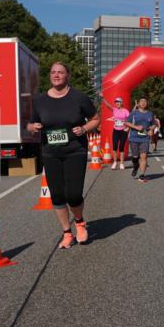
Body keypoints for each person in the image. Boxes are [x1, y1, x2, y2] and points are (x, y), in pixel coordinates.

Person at [27, 62, 99, 248]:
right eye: (53, 72)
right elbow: (30, 124)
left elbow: (95, 119)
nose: (56, 75)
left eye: (60, 72)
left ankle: (80, 222)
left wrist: (84, 129)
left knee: (73, 194)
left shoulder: (79, 97)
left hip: (75, 150)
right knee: (57, 195)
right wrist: (33, 127)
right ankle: (67, 233)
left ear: (68, 75)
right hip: (50, 152)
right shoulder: (40, 100)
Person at [126, 97, 155, 182]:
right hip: (134, 138)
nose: (143, 103)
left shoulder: (150, 113)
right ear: (138, 103)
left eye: (145, 101)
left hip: (145, 138)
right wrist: (136, 127)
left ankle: (142, 175)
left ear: (147, 103)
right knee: (135, 156)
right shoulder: (134, 113)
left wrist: (151, 129)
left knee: (144, 156)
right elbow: (126, 122)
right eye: (141, 101)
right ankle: (135, 166)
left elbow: (154, 124)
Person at [101, 96, 130, 169]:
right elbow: (108, 105)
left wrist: (128, 128)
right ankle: (115, 162)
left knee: (121, 147)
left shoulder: (125, 111)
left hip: (123, 131)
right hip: (116, 130)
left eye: (118, 102)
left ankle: (122, 163)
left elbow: (130, 120)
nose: (117, 103)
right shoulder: (114, 110)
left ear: (121, 103)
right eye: (116, 102)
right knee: (114, 146)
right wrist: (103, 98)